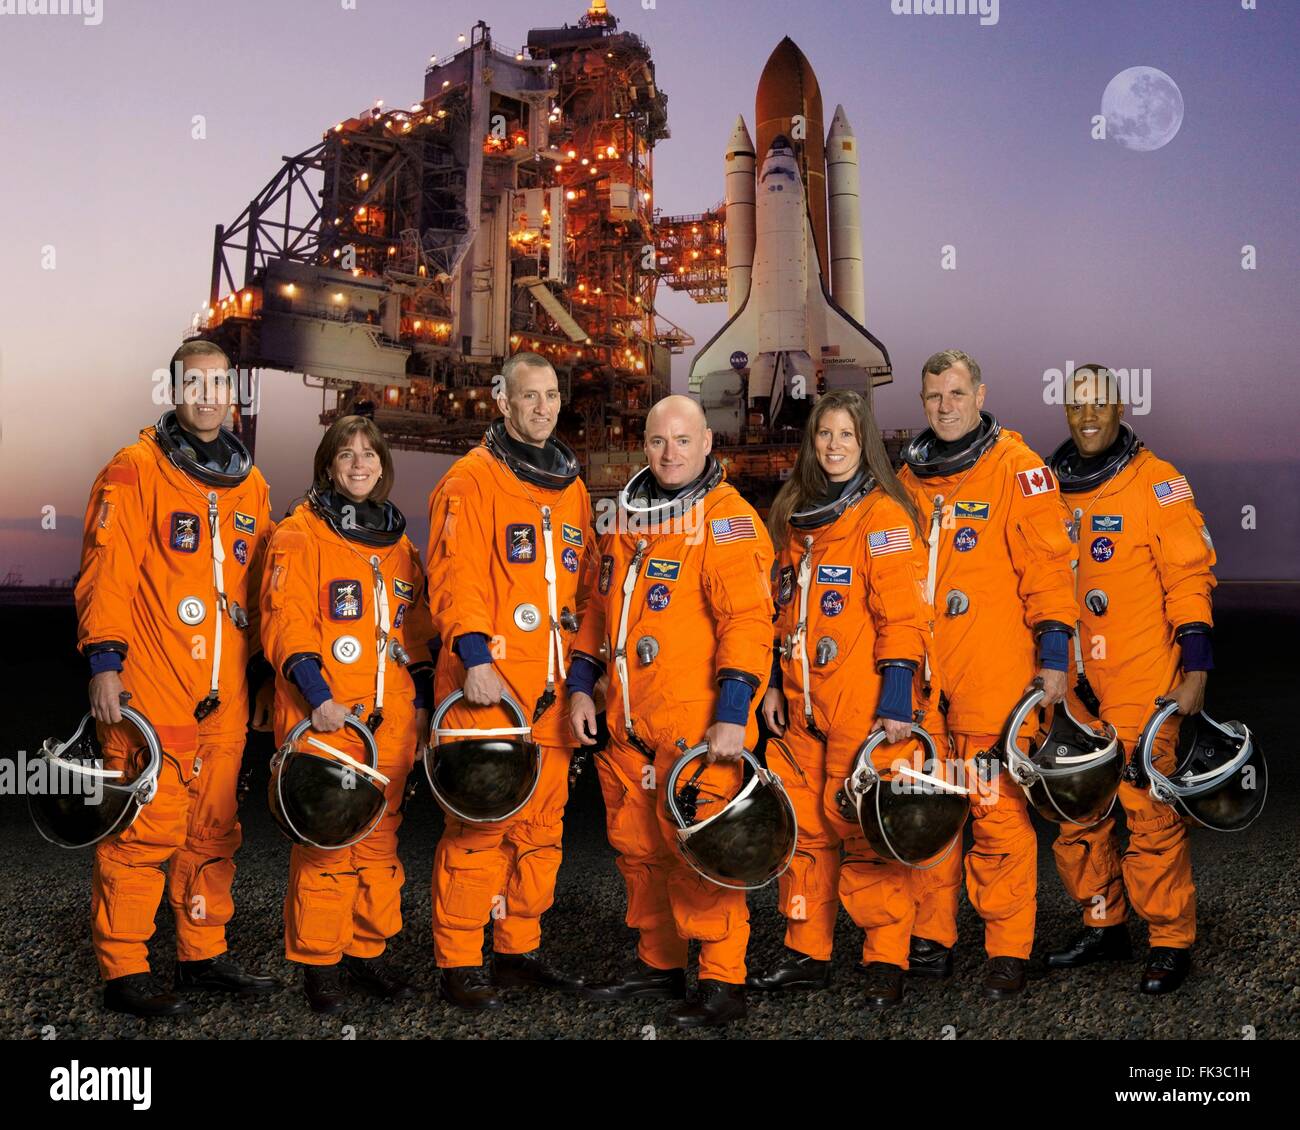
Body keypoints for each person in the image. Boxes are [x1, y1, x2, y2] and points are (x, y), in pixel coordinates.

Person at [76, 339, 278, 1017]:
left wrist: (272, 674)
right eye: (195, 383)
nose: (209, 395)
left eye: (221, 384)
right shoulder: (135, 469)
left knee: (212, 830)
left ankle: (202, 954)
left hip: (225, 691)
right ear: (174, 389)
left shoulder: (251, 486)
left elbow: (265, 588)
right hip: (154, 681)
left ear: (235, 394)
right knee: (143, 828)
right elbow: (108, 570)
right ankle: (125, 969)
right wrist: (105, 661)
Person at [568, 394, 775, 1029]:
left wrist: (734, 713)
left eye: (683, 441)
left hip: (698, 725)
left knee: (701, 847)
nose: (669, 454)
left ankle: (721, 980)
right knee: (639, 848)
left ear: (708, 443)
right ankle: (658, 965)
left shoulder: (727, 520)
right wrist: (582, 684)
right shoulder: (627, 519)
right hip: (629, 722)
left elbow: (748, 622)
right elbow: (598, 608)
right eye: (658, 441)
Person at [746, 389, 947, 1010]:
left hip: (864, 705)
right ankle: (809, 952)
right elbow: (778, 610)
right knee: (805, 831)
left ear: (865, 445)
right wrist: (774, 685)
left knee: (865, 833)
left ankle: (886, 959)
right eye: (824, 435)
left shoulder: (883, 519)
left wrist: (895, 701)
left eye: (846, 437)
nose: (833, 447)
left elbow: (904, 618)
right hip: (802, 704)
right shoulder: (795, 514)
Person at [896, 349, 1077, 999]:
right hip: (926, 681)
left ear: (980, 395)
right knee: (927, 809)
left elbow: (1051, 570)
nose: (944, 407)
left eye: (955, 394)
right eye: (933, 397)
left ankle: (1007, 948)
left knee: (996, 813)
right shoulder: (912, 479)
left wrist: (1054, 660)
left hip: (992, 676)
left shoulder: (1018, 470)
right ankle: (931, 936)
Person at [424, 352, 592, 1011]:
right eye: (531, 397)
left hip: (549, 697)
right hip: (487, 693)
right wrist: (474, 658)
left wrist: (582, 677)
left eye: (552, 395)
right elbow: (453, 576)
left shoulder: (571, 488)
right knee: (481, 831)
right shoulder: (470, 481)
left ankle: (516, 949)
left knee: (540, 833)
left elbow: (586, 591)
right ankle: (460, 961)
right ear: (503, 402)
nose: (544, 407)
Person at [1043, 364, 1214, 994]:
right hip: (1073, 679)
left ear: (1120, 406)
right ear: (1065, 411)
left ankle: (1169, 939)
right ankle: (1103, 922)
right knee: (1076, 804)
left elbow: (1189, 579)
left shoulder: (1157, 483)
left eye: (1099, 404)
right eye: (1076, 405)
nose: (1087, 416)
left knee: (1149, 809)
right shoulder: (1049, 488)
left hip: (1142, 673)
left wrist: (1195, 669)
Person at [260, 416, 435, 1013]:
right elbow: (285, 625)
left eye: (369, 455)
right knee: (329, 846)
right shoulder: (300, 533)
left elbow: (415, 638)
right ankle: (319, 964)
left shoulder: (400, 547)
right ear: (328, 466)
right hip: (328, 718)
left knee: (380, 847)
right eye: (346, 455)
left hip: (389, 727)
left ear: (383, 466)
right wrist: (317, 696)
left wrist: (427, 704)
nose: (359, 464)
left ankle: (366, 952)